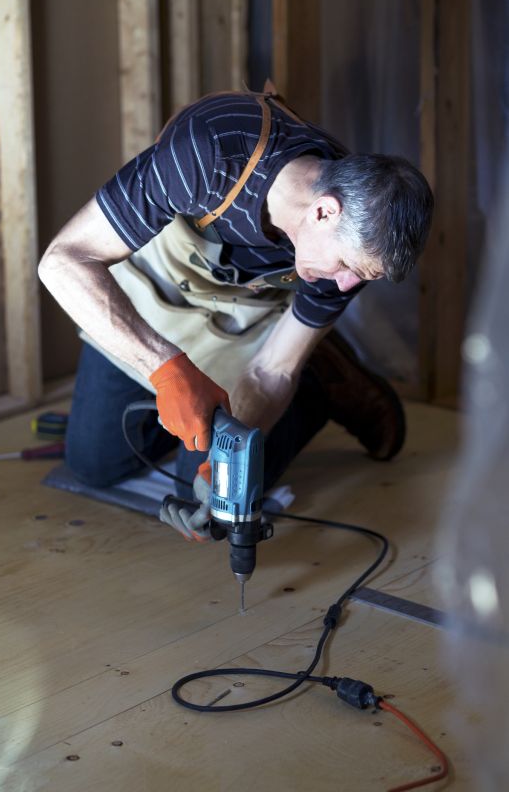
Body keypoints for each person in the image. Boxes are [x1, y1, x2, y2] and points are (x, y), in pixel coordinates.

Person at [38, 87, 433, 542]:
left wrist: (217, 469)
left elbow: (270, 372)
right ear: (325, 212)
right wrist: (167, 372)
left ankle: (319, 385)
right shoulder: (207, 150)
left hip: (246, 323)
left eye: (361, 277)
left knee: (200, 486)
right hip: (160, 293)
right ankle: (207, 394)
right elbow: (64, 260)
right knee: (93, 462)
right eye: (346, 267)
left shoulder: (353, 242)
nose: (346, 285)